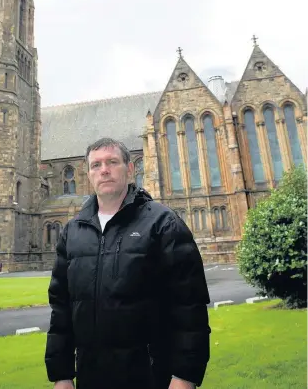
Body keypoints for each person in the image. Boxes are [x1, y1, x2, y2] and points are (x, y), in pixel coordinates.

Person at [45, 138, 211, 389]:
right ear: (87, 173)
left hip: (151, 375)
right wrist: (62, 374)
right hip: (92, 377)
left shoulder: (162, 223)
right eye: (96, 165)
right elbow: (61, 309)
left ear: (130, 169)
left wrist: (184, 376)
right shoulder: (73, 231)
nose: (104, 170)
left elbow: (190, 305)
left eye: (112, 162)